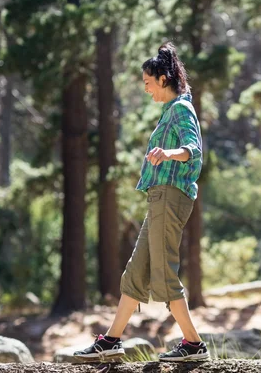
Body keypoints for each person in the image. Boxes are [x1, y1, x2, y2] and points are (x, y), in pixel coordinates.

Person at [73, 42, 209, 362]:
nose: (147, 90)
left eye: (148, 83)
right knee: (136, 272)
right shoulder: (170, 111)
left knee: (164, 274)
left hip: (170, 197)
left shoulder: (180, 109)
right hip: (159, 198)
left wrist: (168, 154)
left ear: (163, 79)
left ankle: (193, 344)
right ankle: (111, 341)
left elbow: (194, 149)